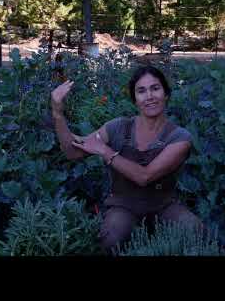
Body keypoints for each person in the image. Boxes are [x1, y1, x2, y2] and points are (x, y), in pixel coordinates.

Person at [51, 65, 202, 254]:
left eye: (155, 88)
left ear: (166, 94)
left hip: (163, 206)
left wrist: (105, 152)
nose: (149, 96)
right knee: (109, 239)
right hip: (123, 206)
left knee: (195, 231)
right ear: (135, 99)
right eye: (141, 91)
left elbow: (145, 176)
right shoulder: (118, 127)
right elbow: (73, 151)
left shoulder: (180, 137)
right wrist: (57, 113)